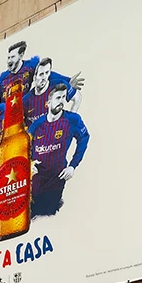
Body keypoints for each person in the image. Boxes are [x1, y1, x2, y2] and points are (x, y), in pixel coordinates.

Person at [27, 83, 90, 217]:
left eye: (63, 98)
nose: (61, 101)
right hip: (36, 182)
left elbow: (84, 139)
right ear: (48, 103)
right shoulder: (36, 125)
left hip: (56, 180)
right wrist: (30, 164)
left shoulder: (72, 120)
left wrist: (72, 166)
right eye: (57, 98)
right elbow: (24, 148)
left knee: (51, 214)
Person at [0, 40, 84, 104]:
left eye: (13, 57)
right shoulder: (2, 78)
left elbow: (47, 75)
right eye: (8, 58)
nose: (9, 61)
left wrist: (68, 81)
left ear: (21, 55)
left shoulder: (30, 66)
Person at [23, 57, 82, 127]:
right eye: (41, 74)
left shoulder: (58, 85)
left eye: (47, 73)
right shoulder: (26, 100)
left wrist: (70, 122)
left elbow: (77, 97)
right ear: (35, 77)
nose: (44, 77)